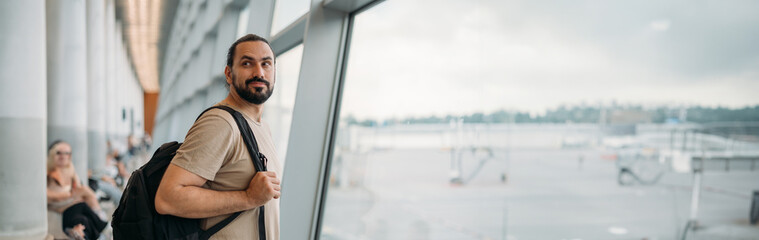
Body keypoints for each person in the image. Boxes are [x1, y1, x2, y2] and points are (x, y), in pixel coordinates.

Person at [155, 34, 282, 239]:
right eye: (247, 63)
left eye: (266, 64)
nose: (259, 72)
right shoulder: (221, 123)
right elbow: (168, 198)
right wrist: (249, 197)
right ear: (229, 74)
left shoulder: (261, 126)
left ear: (274, 72)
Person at [47, 140, 108, 240]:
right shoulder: (47, 173)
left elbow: (79, 188)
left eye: (67, 153)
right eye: (59, 153)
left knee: (83, 221)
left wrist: (73, 195)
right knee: (83, 207)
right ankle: (103, 225)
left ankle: (80, 232)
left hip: (74, 208)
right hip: (60, 209)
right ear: (52, 154)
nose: (63, 156)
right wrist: (69, 195)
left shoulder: (70, 170)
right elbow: (47, 196)